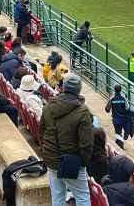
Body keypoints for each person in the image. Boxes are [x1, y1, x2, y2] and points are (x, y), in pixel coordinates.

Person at [38, 74, 93, 206]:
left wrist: (49, 151)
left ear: (62, 88)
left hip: (51, 159)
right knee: (83, 197)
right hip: (72, 161)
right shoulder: (82, 111)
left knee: (57, 196)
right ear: (78, 90)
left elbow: (41, 133)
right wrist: (82, 163)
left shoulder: (48, 106)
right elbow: (86, 143)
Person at [105, 84, 130, 149]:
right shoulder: (124, 98)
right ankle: (120, 142)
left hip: (116, 119)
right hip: (124, 119)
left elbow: (107, 109)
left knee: (118, 132)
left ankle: (120, 146)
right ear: (120, 90)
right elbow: (127, 108)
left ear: (114, 90)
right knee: (124, 131)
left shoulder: (112, 99)